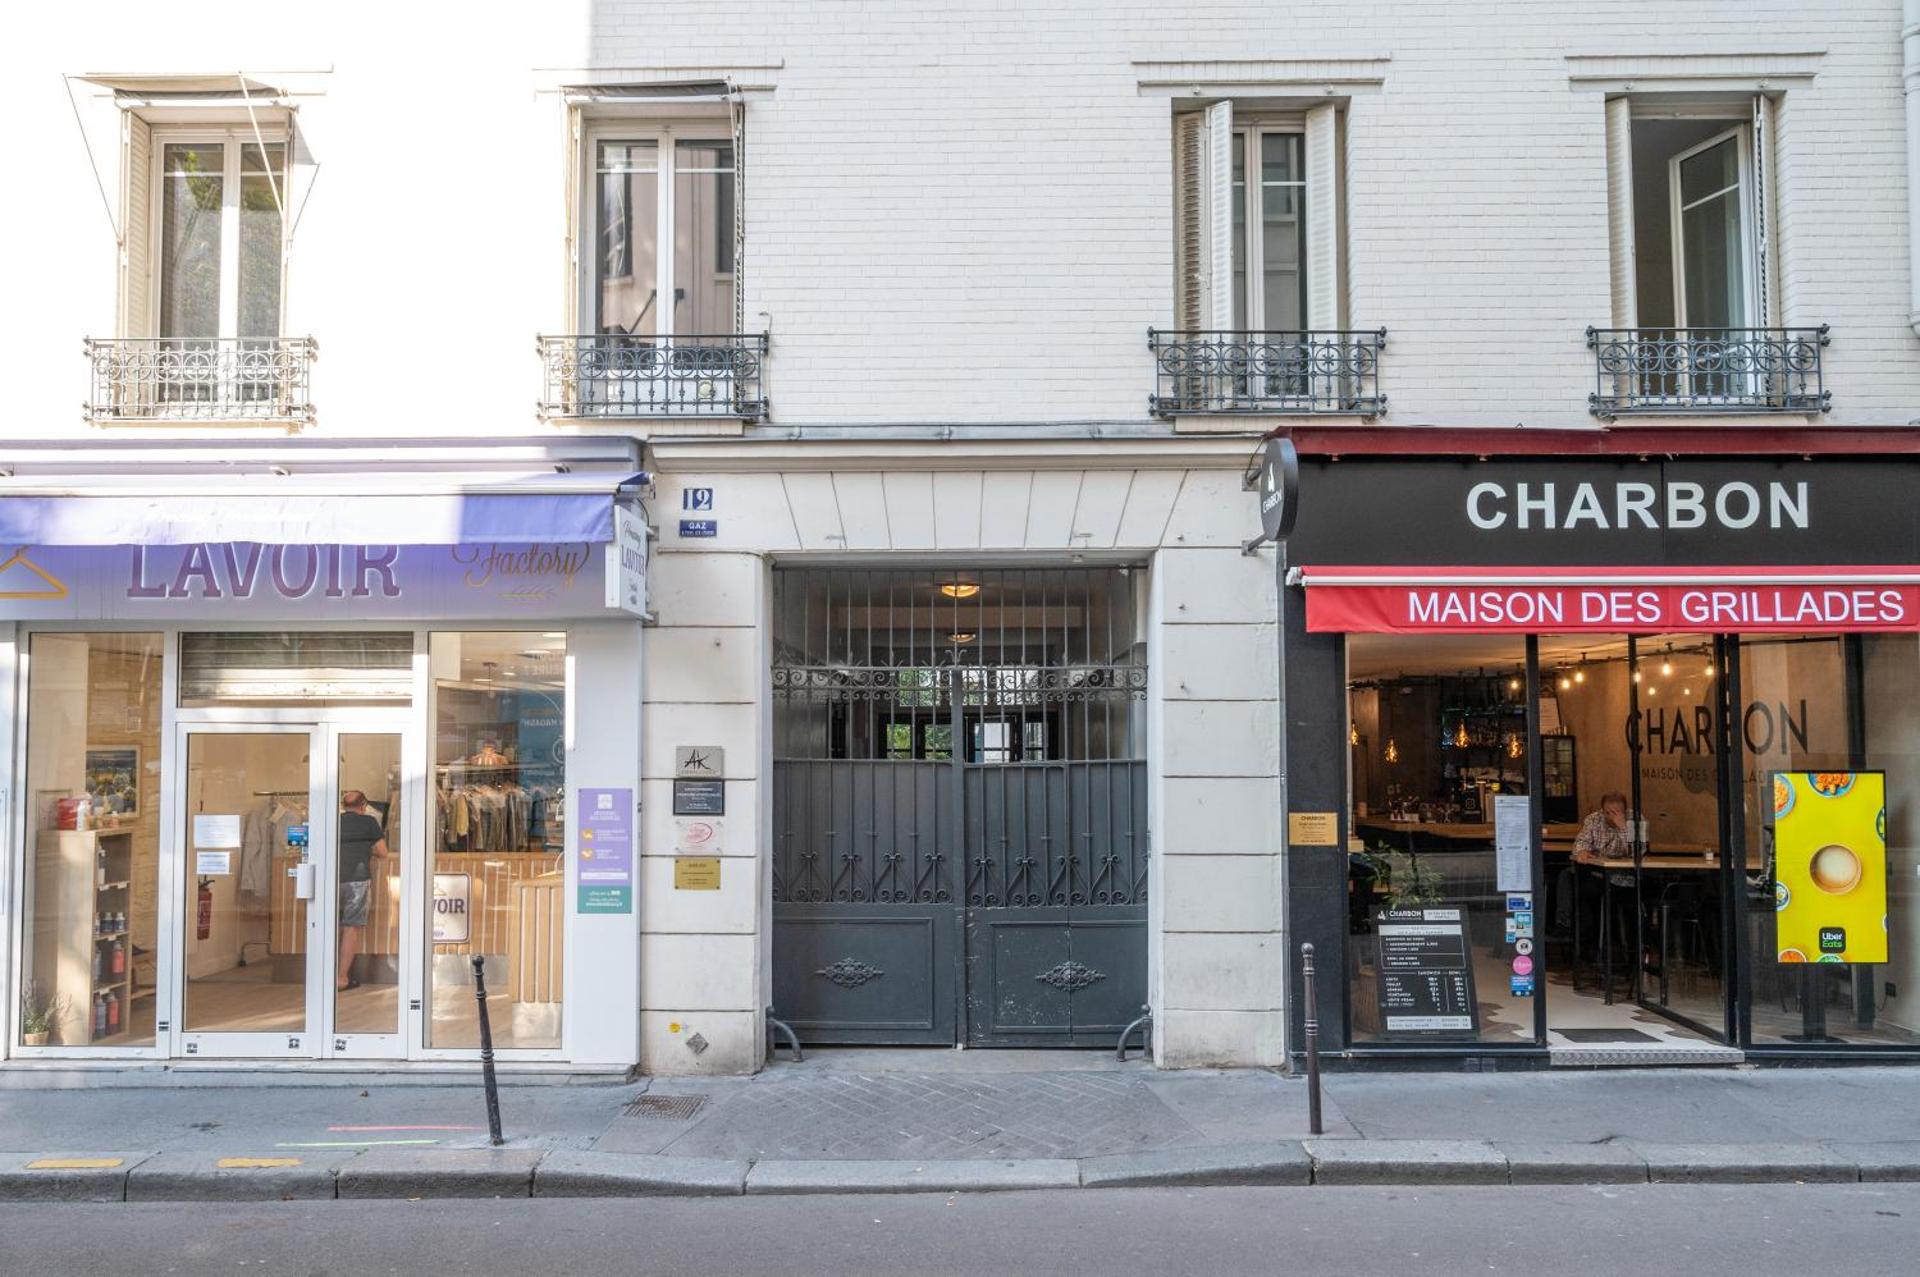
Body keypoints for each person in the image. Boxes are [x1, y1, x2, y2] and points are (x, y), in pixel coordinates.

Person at [336, 790, 390, 992]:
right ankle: (341, 978)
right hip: (357, 880)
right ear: (364, 805)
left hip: (331, 879)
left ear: (343, 806)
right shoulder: (369, 822)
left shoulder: (332, 821)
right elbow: (383, 852)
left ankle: (322, 974)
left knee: (327, 927)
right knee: (350, 928)